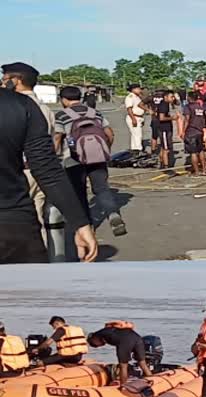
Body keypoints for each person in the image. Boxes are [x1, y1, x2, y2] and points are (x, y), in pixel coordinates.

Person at [0, 88, 97, 264]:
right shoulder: (20, 105)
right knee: (26, 288)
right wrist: (80, 222)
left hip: (13, 218)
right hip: (12, 223)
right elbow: (47, 168)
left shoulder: (21, 105)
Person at [54, 86, 126, 237]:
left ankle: (87, 226)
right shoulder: (95, 113)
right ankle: (113, 215)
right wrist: (104, 151)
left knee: (79, 193)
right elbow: (110, 134)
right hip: (98, 157)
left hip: (73, 159)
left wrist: (54, 156)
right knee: (102, 188)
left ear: (64, 100)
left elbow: (58, 137)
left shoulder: (62, 115)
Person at [2, 62, 56, 246]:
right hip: (41, 170)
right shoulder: (45, 108)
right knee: (37, 216)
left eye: (4, 80)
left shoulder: (18, 107)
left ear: (15, 81)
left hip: (23, 171)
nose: (2, 85)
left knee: (23, 220)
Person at [87, 321, 153, 385]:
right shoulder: (108, 331)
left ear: (93, 339)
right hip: (137, 338)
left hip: (124, 340)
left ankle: (123, 386)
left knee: (123, 366)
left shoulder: (97, 335)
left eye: (95, 345)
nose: (99, 346)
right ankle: (153, 381)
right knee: (142, 363)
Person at [181, 91, 206, 177]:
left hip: (191, 131)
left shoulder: (188, 107)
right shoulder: (200, 107)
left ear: (189, 98)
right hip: (200, 131)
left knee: (193, 152)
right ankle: (204, 170)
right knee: (201, 151)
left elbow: (187, 119)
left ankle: (197, 172)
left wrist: (183, 131)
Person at [155, 90, 178, 169]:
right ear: (165, 97)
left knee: (163, 147)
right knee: (166, 148)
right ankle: (166, 166)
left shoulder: (166, 104)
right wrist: (172, 118)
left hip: (166, 128)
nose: (173, 98)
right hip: (164, 129)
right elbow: (161, 118)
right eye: (171, 97)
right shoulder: (163, 105)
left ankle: (162, 163)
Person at [125, 84, 147, 154]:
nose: (140, 90)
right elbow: (129, 109)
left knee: (135, 135)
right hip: (134, 117)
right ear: (133, 89)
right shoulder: (130, 97)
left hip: (138, 117)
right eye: (138, 89)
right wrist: (133, 119)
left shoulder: (137, 97)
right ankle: (138, 150)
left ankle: (134, 150)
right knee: (137, 135)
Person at [149, 90, 165, 154]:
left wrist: (149, 109)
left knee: (154, 136)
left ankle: (153, 151)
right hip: (160, 119)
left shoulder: (151, 97)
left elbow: (141, 103)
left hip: (155, 119)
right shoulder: (165, 97)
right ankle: (162, 150)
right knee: (161, 136)